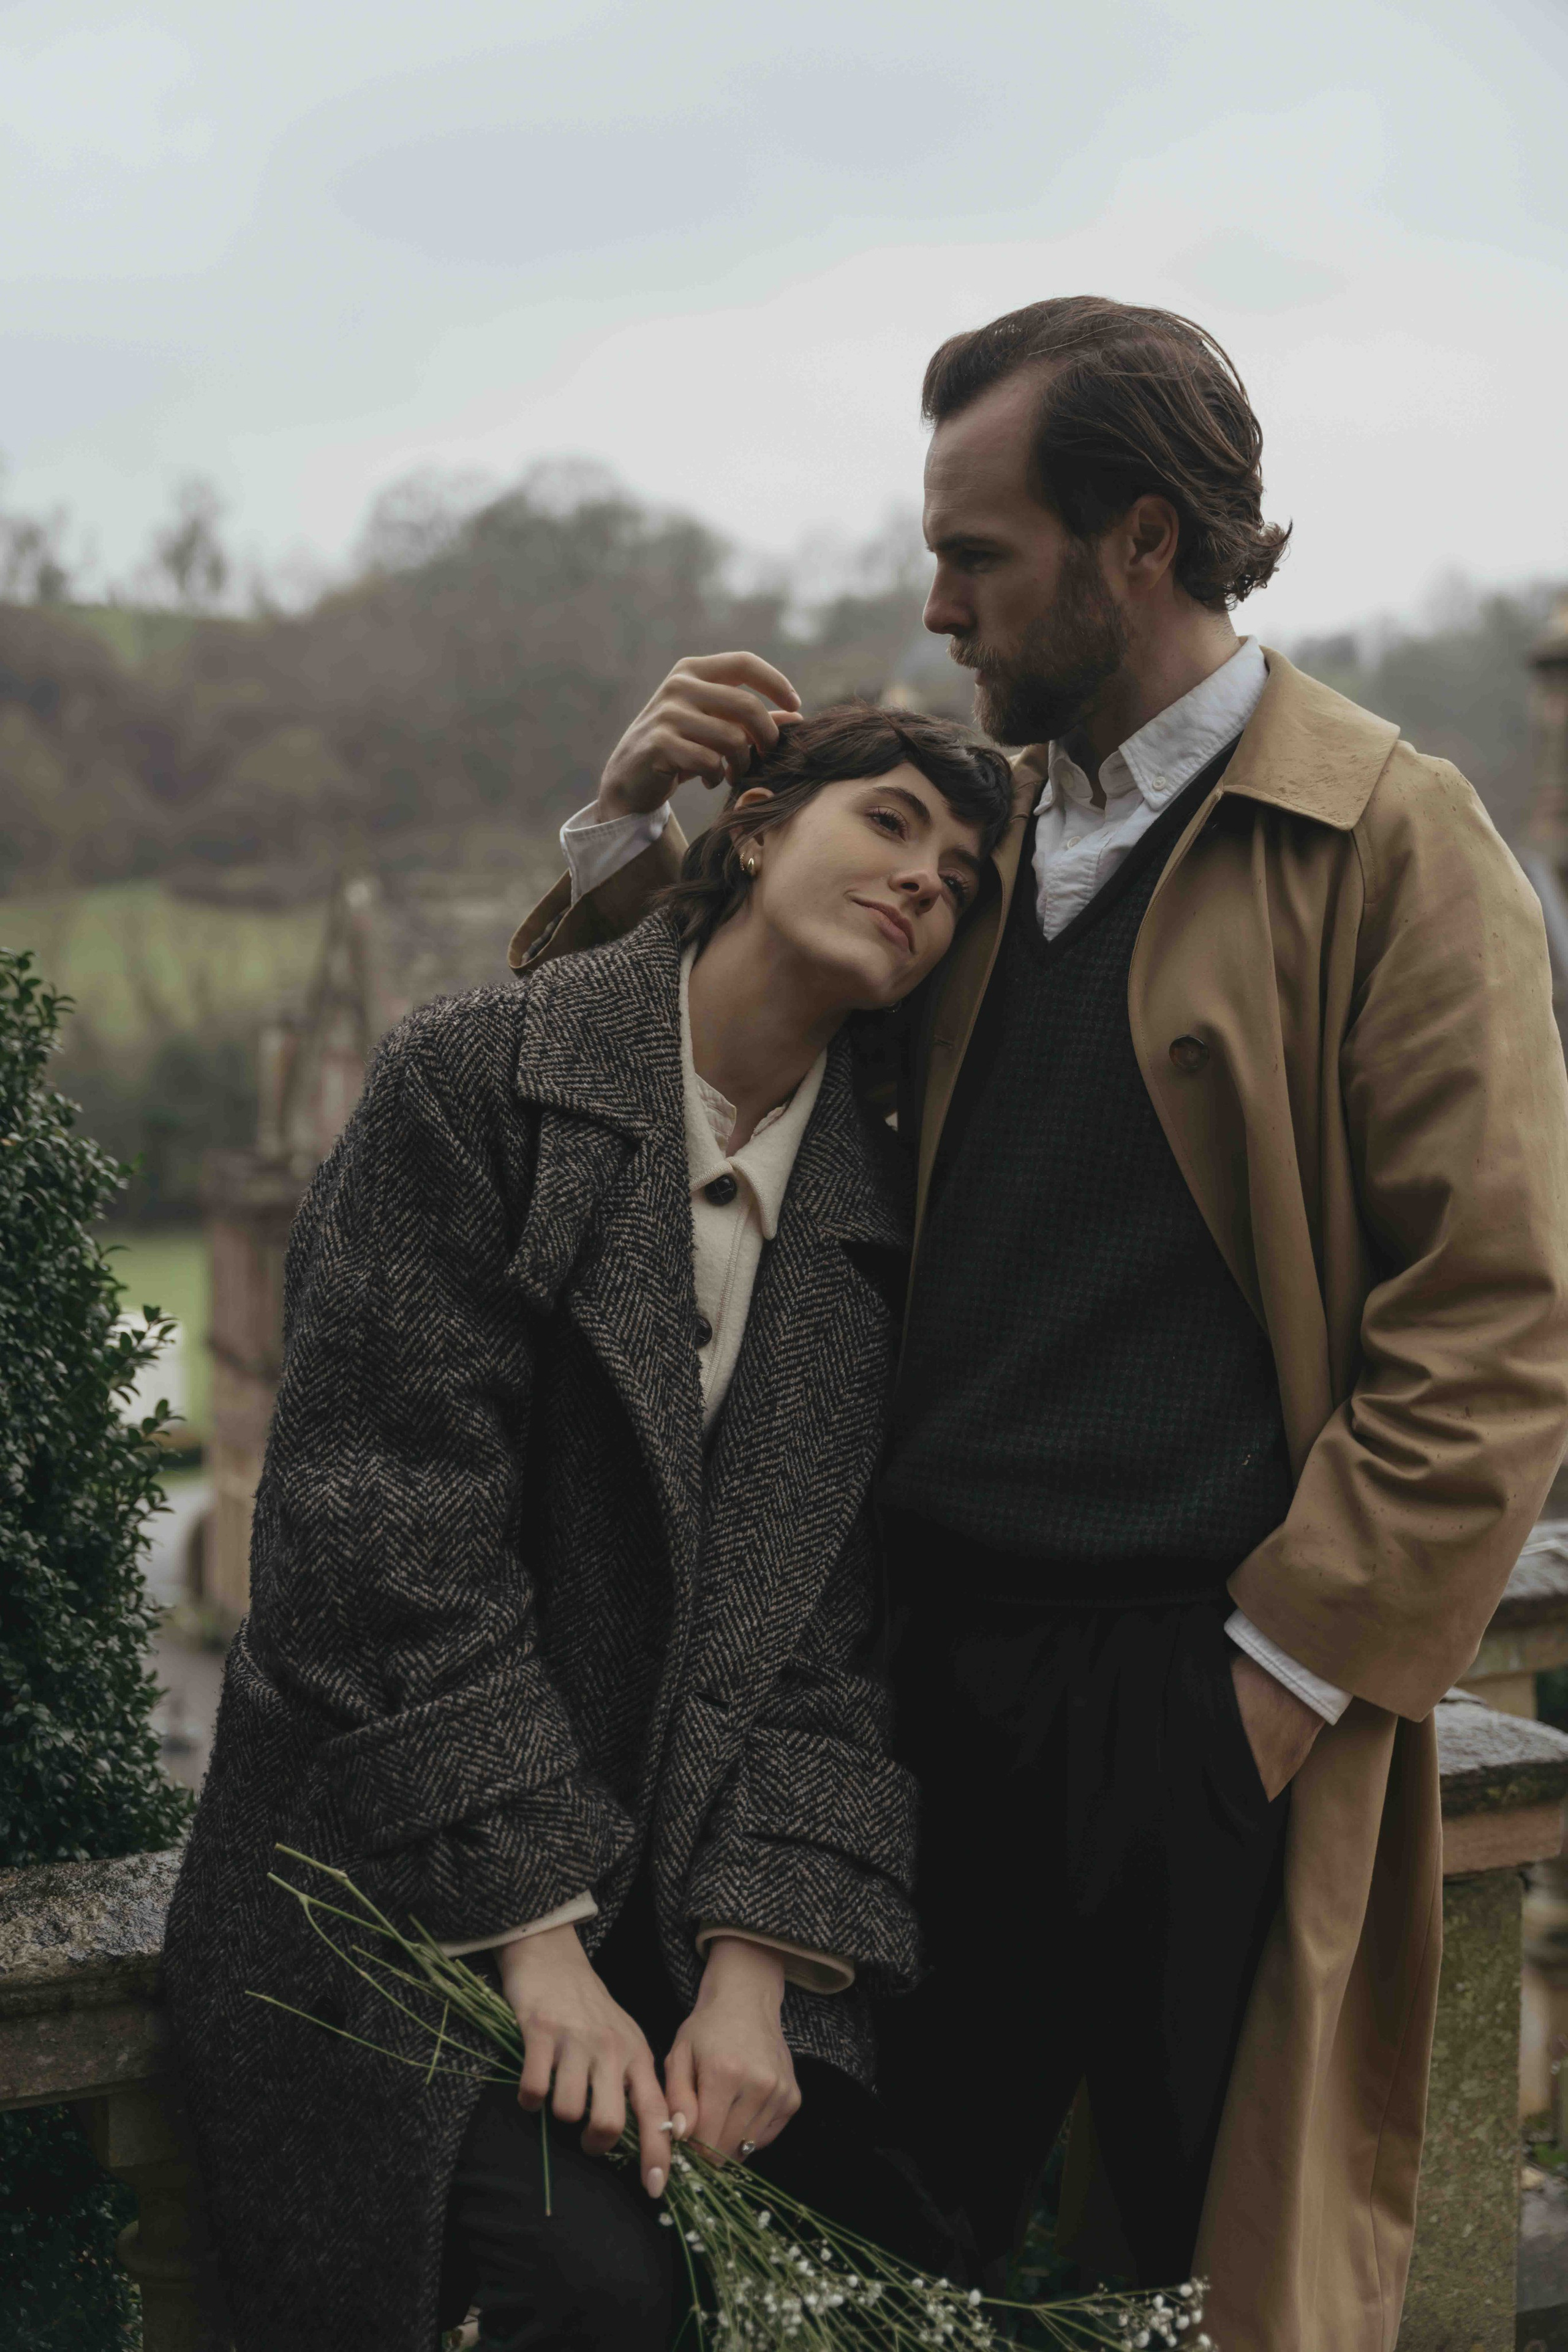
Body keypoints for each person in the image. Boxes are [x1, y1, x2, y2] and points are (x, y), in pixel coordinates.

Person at [511, 295, 1568, 2350]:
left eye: (978, 553)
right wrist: (621, 842)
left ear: (1143, 540)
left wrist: (1268, 1688)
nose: (935, 604)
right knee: (848, 2267)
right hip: (892, 1691)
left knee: (1191, 2283)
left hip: (1192, 1699)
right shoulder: (964, 840)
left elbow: (1499, 1322)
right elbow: (636, 1090)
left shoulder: (1392, 838)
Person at [162, 704, 1014, 2352]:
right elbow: (376, 1552)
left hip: (690, 1916)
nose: (925, 879)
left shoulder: (880, 1217)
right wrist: (539, 1949)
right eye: (894, 822)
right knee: (603, 2298)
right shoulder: (473, 1085)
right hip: (393, 1882)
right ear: (755, 827)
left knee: (888, 2257)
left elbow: (829, 1635)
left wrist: (761, 1966)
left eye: (963, 874)